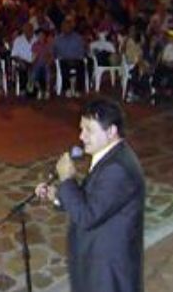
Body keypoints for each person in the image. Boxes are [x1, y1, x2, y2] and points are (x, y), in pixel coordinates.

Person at [35, 98, 145, 292]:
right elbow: (95, 201)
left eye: (89, 130)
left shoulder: (117, 168)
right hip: (98, 266)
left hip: (107, 274)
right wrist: (57, 195)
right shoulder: (111, 157)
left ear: (111, 131)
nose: (81, 136)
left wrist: (67, 180)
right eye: (81, 129)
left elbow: (88, 216)